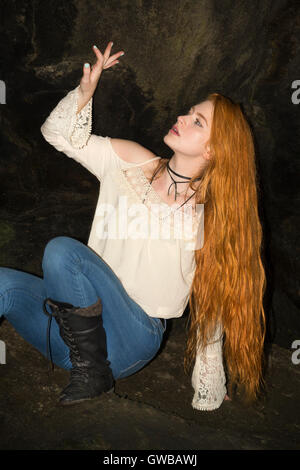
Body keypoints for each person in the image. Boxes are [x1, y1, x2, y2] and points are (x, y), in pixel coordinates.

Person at [0, 42, 266, 410]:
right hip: (73, 342)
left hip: (131, 339)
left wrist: (209, 379)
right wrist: (86, 90)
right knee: (3, 284)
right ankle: (86, 368)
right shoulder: (131, 162)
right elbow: (57, 135)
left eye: (197, 121)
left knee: (63, 252)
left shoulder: (210, 216)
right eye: (189, 112)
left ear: (213, 151)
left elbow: (215, 304)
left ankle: (94, 372)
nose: (183, 118)